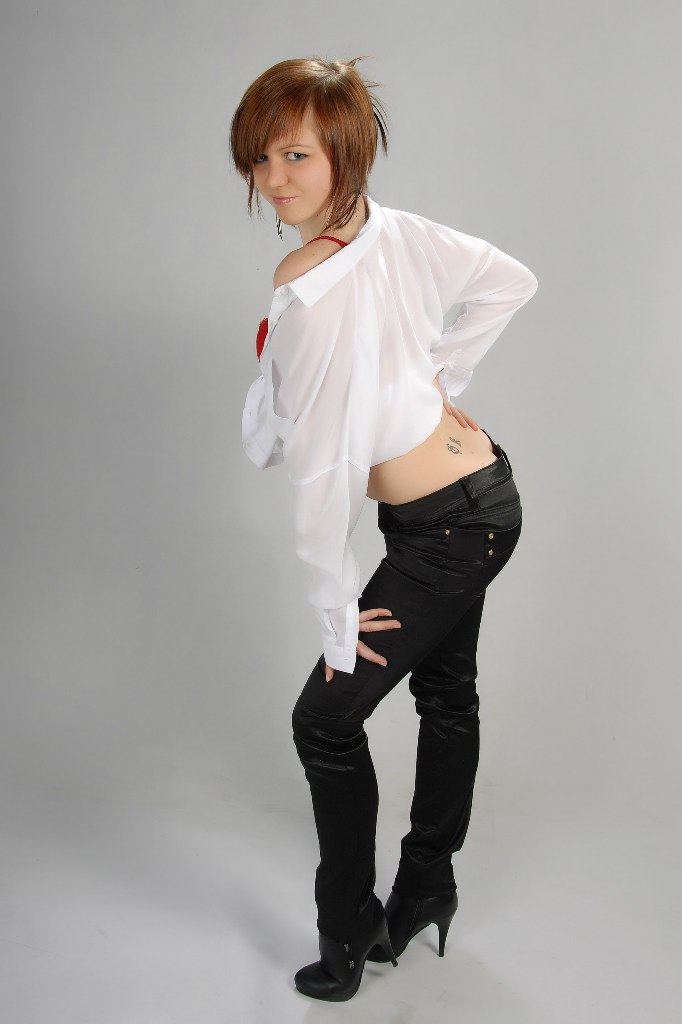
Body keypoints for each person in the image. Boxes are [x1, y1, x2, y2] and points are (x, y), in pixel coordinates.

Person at [230, 55, 539, 1002]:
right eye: (260, 157)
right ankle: (427, 887)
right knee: (447, 694)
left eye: (296, 155)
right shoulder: (389, 231)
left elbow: (323, 469)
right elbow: (510, 281)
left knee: (324, 720)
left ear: (345, 152)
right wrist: (436, 377)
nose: (274, 178)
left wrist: (335, 607)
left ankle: (349, 927)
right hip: (475, 499)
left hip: (452, 530)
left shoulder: (310, 284)